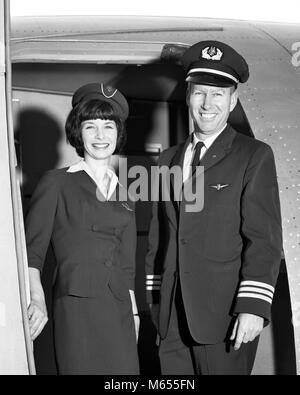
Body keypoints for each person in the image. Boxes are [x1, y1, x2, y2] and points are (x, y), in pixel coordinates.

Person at [145, 41, 282, 375]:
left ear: (233, 100)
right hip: (172, 319)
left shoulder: (254, 156)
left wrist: (252, 307)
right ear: (188, 96)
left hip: (225, 317)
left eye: (218, 94)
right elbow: (158, 237)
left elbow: (263, 239)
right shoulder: (168, 159)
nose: (207, 104)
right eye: (200, 92)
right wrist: (155, 304)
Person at [26, 83, 140, 375]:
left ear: (119, 133)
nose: (100, 136)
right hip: (76, 307)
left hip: (119, 312)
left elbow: (127, 266)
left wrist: (135, 312)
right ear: (79, 132)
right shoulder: (56, 183)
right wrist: (37, 299)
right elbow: (32, 252)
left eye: (108, 127)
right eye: (91, 127)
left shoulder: (125, 193)